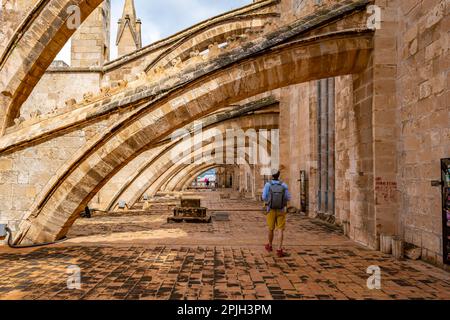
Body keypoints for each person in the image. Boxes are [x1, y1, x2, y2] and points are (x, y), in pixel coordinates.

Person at [262, 170, 291, 257]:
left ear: (272, 175)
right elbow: (288, 197)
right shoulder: (284, 185)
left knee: (271, 228)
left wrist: (269, 200)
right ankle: (279, 249)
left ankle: (270, 245)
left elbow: (264, 197)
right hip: (281, 210)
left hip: (270, 209)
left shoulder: (268, 184)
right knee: (280, 229)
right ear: (279, 176)